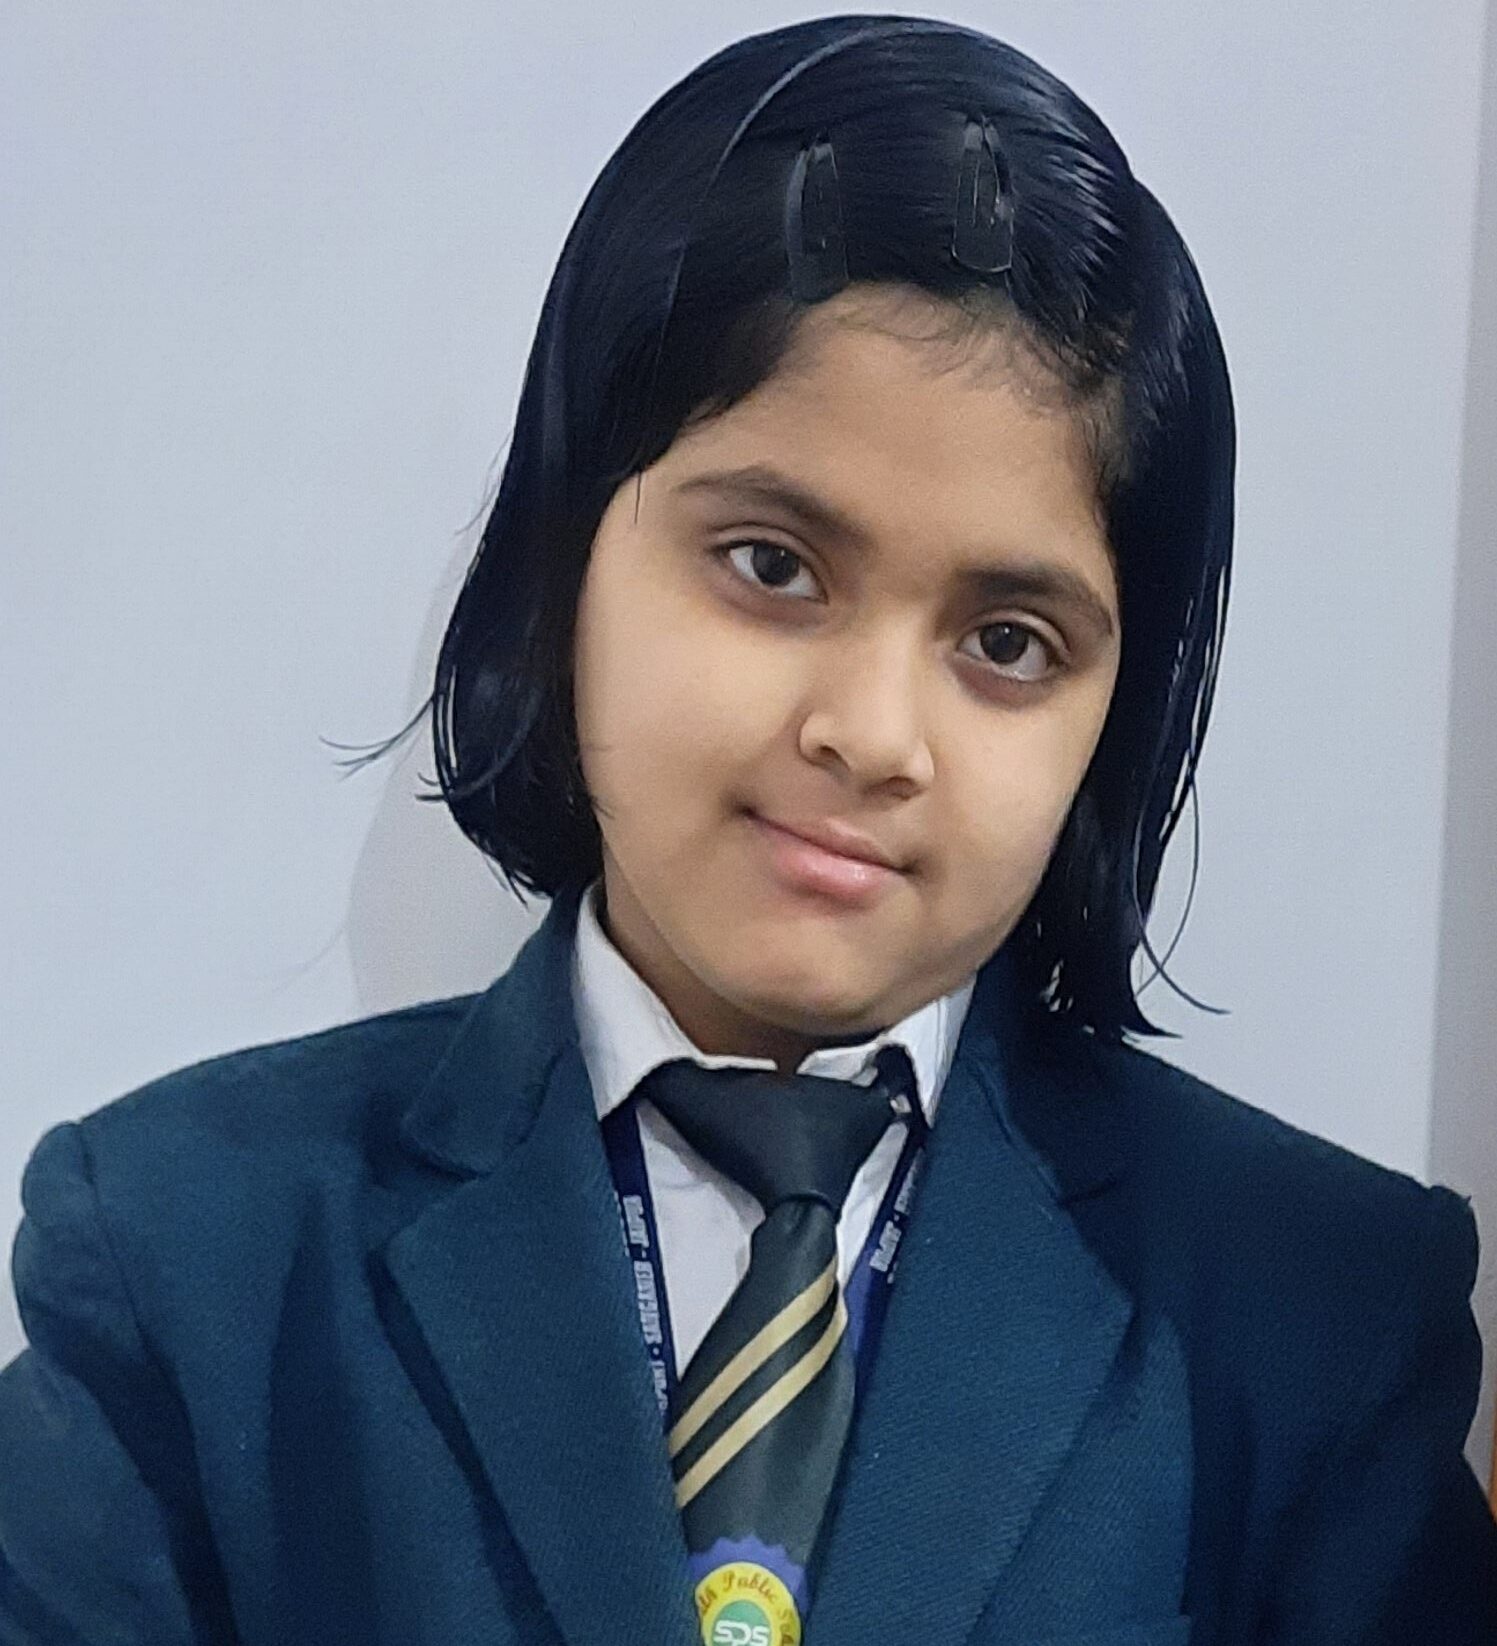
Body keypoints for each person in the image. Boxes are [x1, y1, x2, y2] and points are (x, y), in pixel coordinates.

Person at [2, 13, 1494, 1645]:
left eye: (1007, 642)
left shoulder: (1308, 1316)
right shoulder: (189, 1259)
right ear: (567, 553)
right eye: (772, 566)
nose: (869, 730)